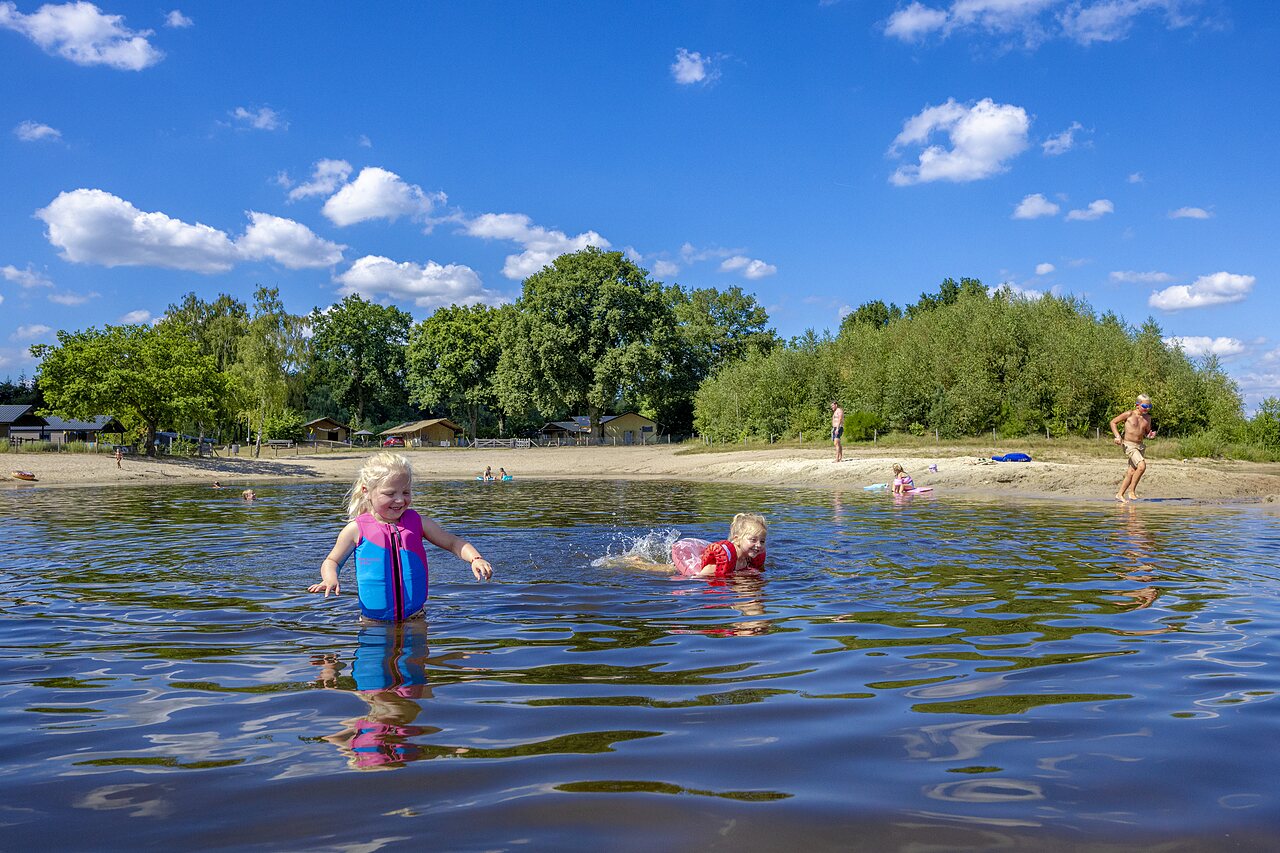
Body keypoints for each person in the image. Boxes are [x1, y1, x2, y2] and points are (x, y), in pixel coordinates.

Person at [309, 452, 493, 622]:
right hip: (373, 623)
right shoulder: (356, 529)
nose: (399, 500)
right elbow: (332, 561)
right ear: (367, 491)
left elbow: (454, 543)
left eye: (405, 492)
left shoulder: (419, 523)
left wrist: (475, 558)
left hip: (416, 618)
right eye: (390, 493)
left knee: (417, 658)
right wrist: (329, 578)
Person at [689, 513, 768, 579]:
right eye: (753, 540)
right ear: (737, 540)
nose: (759, 545)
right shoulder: (722, 561)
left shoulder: (749, 559)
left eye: (762, 541)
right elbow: (698, 579)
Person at [1110, 394, 1157, 502]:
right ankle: (1131, 492)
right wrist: (1117, 436)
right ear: (1137, 405)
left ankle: (1120, 494)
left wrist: (1150, 436)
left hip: (1140, 446)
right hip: (1129, 445)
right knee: (1142, 466)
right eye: (1145, 406)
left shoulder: (1148, 418)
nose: (1147, 409)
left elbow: (1146, 433)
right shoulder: (1129, 414)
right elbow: (1113, 422)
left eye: (1150, 406)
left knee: (1131, 472)